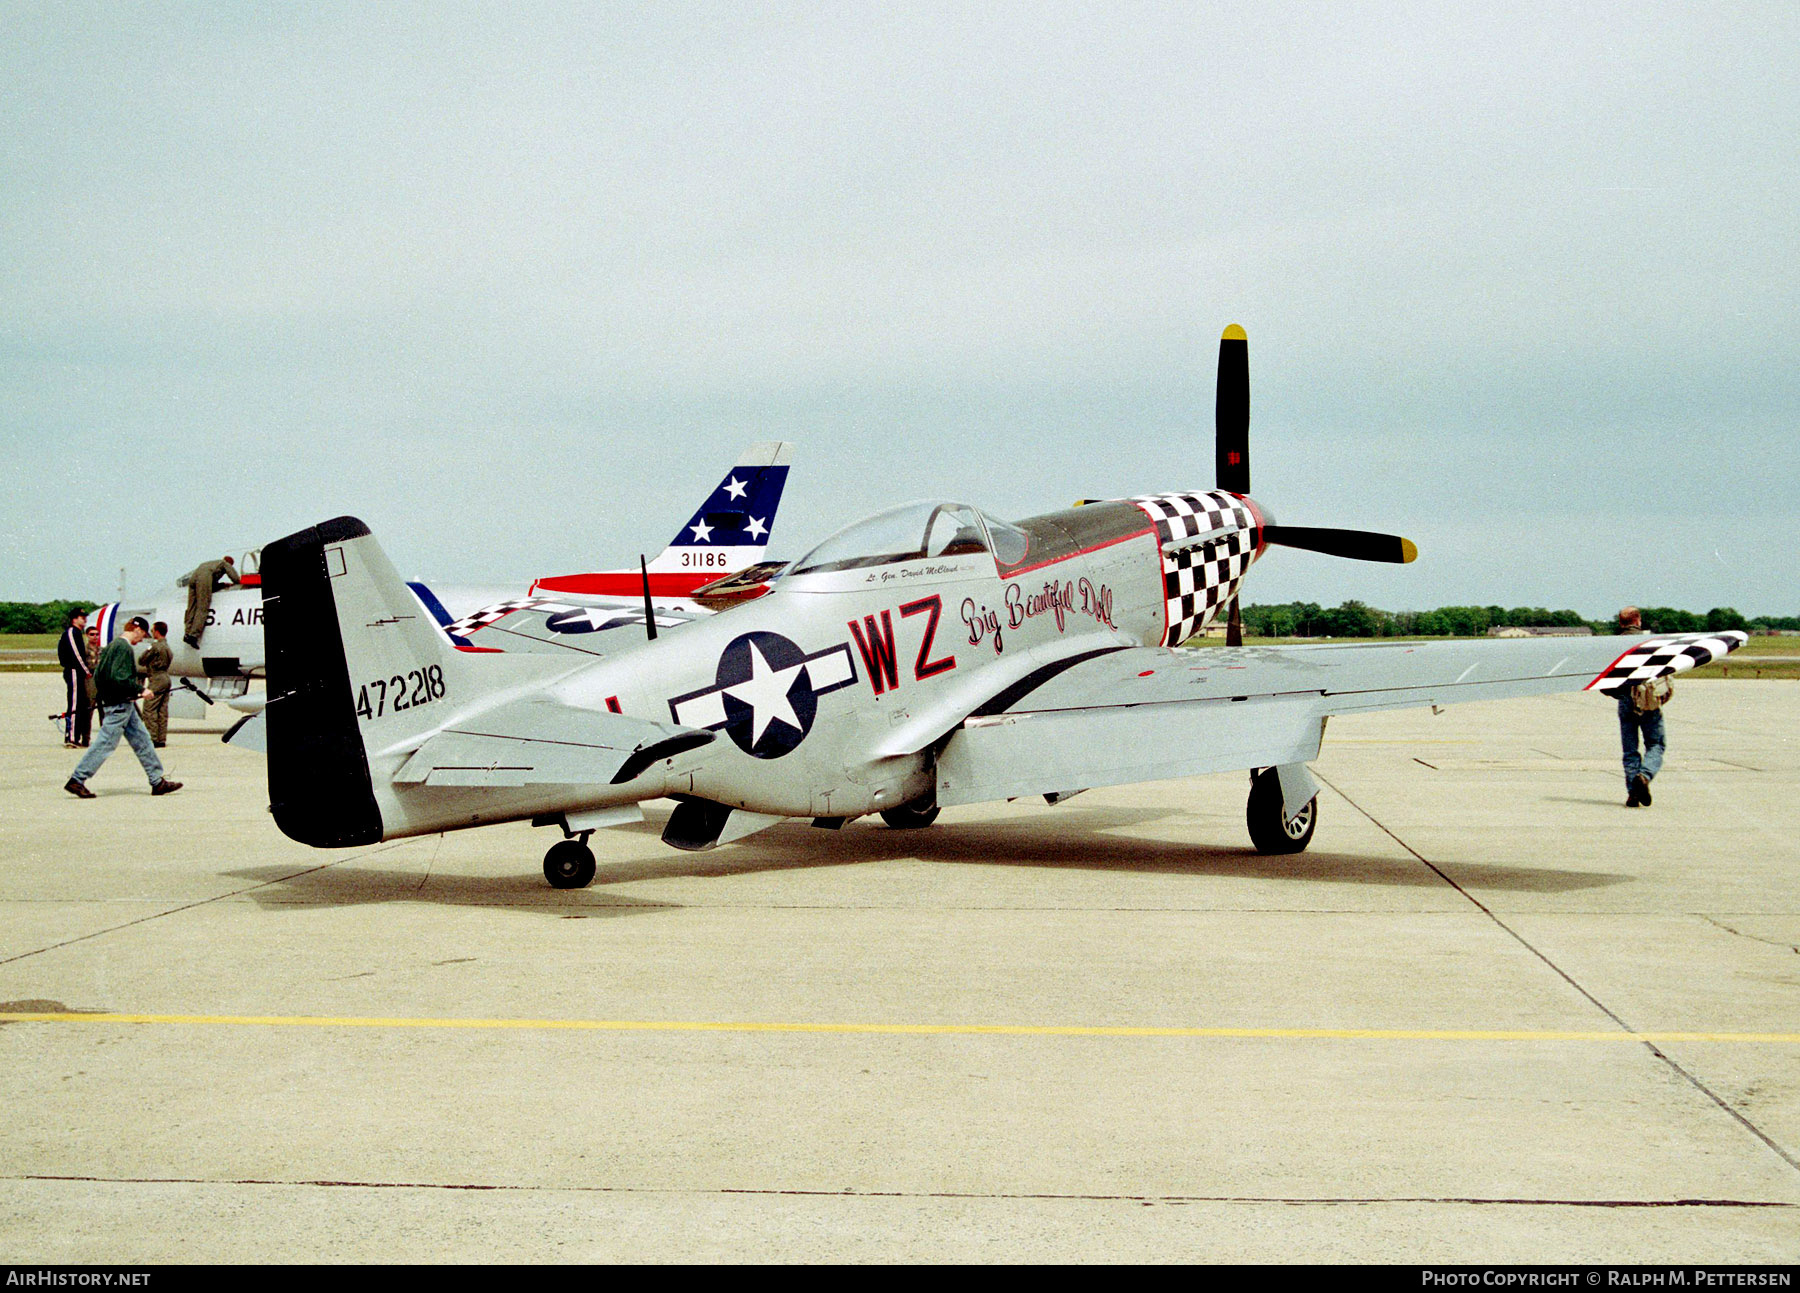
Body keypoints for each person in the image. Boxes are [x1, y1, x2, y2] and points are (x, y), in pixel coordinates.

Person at [64, 616, 181, 799]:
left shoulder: (112, 645)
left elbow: (101, 676)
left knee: (143, 741)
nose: (141, 640)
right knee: (105, 743)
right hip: (119, 705)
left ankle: (157, 781)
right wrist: (141, 690)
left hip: (123, 704)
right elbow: (119, 678)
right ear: (137, 630)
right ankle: (77, 779)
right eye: (142, 634)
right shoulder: (123, 647)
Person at [1615, 605, 1667, 808]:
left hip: (1625, 699)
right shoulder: (1651, 642)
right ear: (1638, 621)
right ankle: (1644, 776)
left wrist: (1618, 694)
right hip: (1648, 698)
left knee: (1630, 750)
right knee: (1656, 744)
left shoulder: (1614, 644)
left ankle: (1633, 794)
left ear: (1621, 623)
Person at [182, 554, 238, 648]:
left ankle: (187, 633)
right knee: (202, 608)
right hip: (203, 579)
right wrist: (238, 582)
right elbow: (234, 577)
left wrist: (222, 585)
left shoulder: (210, 564)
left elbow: (211, 584)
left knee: (191, 608)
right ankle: (194, 636)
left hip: (193, 578)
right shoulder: (225, 563)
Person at [57, 608, 92, 748]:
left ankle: (78, 736)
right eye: (82, 617)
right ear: (74, 619)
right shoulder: (72, 632)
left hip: (78, 673)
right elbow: (77, 654)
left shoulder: (78, 633)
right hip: (74, 671)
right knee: (74, 704)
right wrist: (86, 670)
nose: (84, 620)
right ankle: (71, 737)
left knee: (81, 704)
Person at [138, 620, 174, 747]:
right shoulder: (167, 646)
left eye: (153, 631)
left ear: (157, 632)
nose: (152, 633)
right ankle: (161, 738)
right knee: (162, 710)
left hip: (157, 679)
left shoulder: (155, 646)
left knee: (150, 708)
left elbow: (141, 660)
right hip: (166, 677)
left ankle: (152, 738)